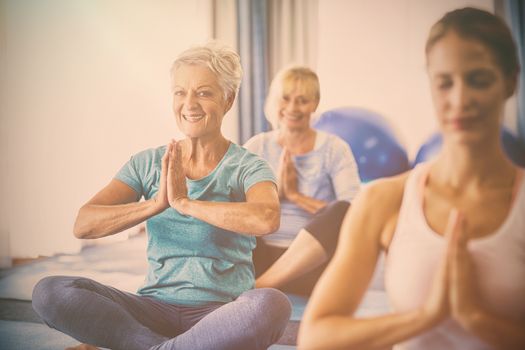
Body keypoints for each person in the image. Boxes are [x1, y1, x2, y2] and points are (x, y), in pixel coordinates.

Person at [31, 42, 291, 350]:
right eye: (180, 92)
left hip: (221, 313)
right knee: (49, 291)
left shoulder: (248, 166)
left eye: (204, 93)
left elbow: (266, 218)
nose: (189, 104)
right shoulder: (148, 162)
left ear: (228, 99)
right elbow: (84, 224)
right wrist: (155, 205)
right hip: (150, 310)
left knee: (272, 304)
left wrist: (186, 204)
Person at [298, 7, 525, 350]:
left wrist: (475, 318)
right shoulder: (384, 200)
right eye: (445, 83)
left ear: (509, 82)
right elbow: (317, 337)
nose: (460, 100)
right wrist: (424, 317)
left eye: (479, 80)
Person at [244, 66, 361, 295]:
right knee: (229, 207)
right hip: (258, 259)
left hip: (311, 267)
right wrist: (276, 193)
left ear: (315, 103)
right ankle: (258, 283)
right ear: (275, 101)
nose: (292, 108)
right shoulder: (257, 146)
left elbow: (357, 213)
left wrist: (297, 196)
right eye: (285, 99)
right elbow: (236, 208)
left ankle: (260, 287)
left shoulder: (335, 149)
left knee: (343, 210)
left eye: (302, 100)